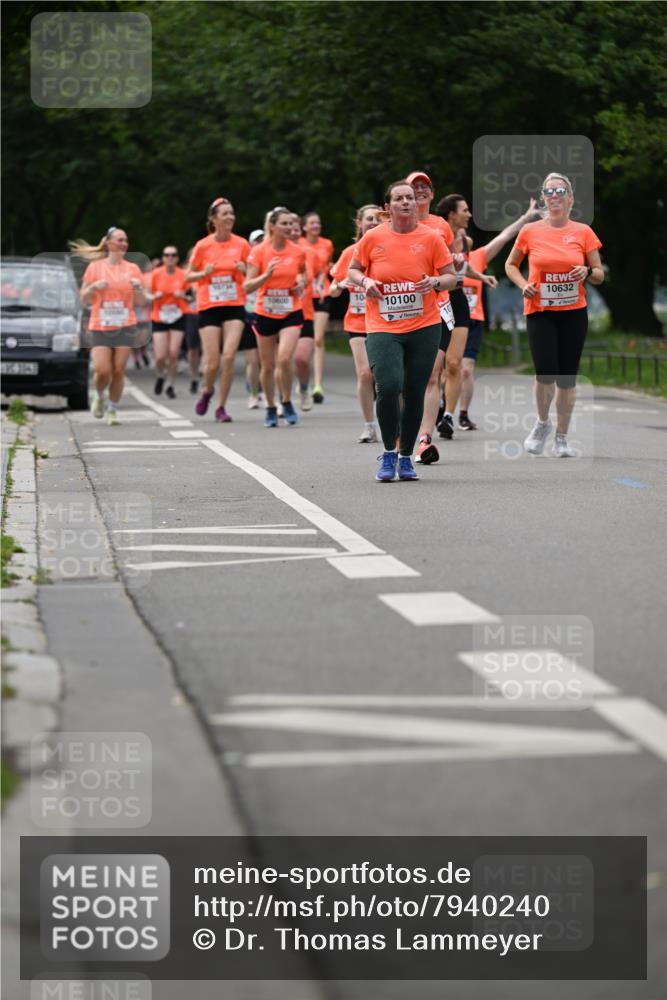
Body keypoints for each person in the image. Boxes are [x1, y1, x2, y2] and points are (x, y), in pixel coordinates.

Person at [348, 180, 456, 481]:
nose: (407, 202)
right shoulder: (373, 238)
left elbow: (451, 278)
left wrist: (435, 282)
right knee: (389, 385)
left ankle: (407, 455)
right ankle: (388, 452)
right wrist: (366, 282)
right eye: (399, 198)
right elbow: (353, 270)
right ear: (388, 207)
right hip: (383, 325)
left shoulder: (432, 238)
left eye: (410, 198)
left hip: (424, 325)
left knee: (414, 391)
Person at [505, 172, 603, 457]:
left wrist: (586, 271)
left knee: (567, 378)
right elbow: (511, 265)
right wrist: (524, 285)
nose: (555, 196)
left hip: (574, 313)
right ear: (545, 198)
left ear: (570, 198)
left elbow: (599, 274)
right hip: (540, 311)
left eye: (560, 191)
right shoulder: (530, 231)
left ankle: (562, 437)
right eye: (549, 192)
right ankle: (542, 423)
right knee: (545, 372)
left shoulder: (583, 232)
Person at [456, 199, 540, 429]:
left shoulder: (478, 257)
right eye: (457, 235)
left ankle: (462, 414)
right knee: (446, 369)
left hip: (473, 320)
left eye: (464, 236)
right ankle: (443, 408)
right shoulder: (440, 257)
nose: (462, 239)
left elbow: (504, 237)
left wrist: (526, 217)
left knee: (466, 368)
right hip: (449, 319)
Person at [434, 193, 498, 442]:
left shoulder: (465, 241)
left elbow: (463, 266)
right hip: (438, 298)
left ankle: (448, 416)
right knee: (435, 366)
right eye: (465, 210)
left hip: (458, 299)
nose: (469, 215)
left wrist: (481, 277)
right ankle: (436, 402)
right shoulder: (436, 235)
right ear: (451, 213)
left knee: (454, 363)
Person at [70, 226, 148, 425]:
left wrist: (138, 289)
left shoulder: (133, 269)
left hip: (125, 324)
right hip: (100, 325)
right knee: (102, 370)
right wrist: (93, 287)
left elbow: (141, 301)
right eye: (120, 240)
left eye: (126, 240)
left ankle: (112, 409)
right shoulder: (95, 268)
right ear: (109, 243)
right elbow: (84, 299)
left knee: (119, 370)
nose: (124, 244)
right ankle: (98, 395)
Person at [186, 197, 250, 421]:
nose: (230, 217)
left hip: (234, 305)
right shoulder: (203, 246)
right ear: (213, 219)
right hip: (210, 306)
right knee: (212, 362)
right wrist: (203, 274)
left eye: (232, 213)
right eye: (224, 214)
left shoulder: (242, 244)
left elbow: (252, 276)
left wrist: (244, 271)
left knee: (229, 356)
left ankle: (221, 407)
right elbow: (188, 275)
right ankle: (207, 390)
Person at [244, 207, 307, 427]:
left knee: (284, 359)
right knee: (268, 366)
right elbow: (247, 286)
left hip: (291, 310)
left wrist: (301, 281)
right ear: (272, 226)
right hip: (265, 312)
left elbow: (303, 273)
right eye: (285, 224)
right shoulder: (259, 252)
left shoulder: (297, 251)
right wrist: (266, 275)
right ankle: (271, 406)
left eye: (291, 224)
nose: (290, 228)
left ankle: (287, 400)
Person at [329, 203, 382, 443]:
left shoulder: (387, 249)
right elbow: (333, 289)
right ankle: (369, 426)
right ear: (359, 223)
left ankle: (390, 420)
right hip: (358, 321)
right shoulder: (349, 252)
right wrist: (339, 286)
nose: (373, 222)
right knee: (364, 374)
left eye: (377, 219)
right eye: (369, 219)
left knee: (384, 376)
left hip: (384, 321)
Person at [299, 212, 333, 403]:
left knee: (318, 339)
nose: (315, 226)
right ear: (304, 227)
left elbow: (325, 267)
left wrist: (321, 282)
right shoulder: (299, 244)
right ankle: (304, 374)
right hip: (304, 296)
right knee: (306, 340)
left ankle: (317, 384)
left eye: (317, 223)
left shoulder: (326, 243)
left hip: (322, 294)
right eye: (311, 223)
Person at [148, 245, 189, 398]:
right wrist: (154, 297)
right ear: (163, 258)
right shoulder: (156, 274)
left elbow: (191, 297)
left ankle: (170, 385)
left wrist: (183, 296)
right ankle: (160, 375)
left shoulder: (183, 274)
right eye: (166, 255)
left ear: (177, 258)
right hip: (160, 316)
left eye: (173, 255)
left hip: (178, 315)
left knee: (173, 353)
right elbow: (146, 295)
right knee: (160, 357)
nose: (170, 258)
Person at [242, 228, 264, 408]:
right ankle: (253, 394)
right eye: (257, 240)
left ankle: (263, 390)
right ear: (251, 244)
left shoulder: (269, 260)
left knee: (266, 358)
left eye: (263, 239)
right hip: (248, 312)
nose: (260, 243)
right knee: (252, 359)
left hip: (266, 311)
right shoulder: (244, 264)